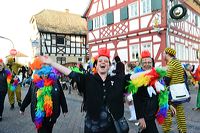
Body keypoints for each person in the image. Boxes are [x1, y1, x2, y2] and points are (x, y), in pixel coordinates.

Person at [39, 48, 130, 133]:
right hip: (91, 128)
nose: (103, 63)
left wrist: (145, 73)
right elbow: (71, 73)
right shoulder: (87, 79)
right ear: (96, 65)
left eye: (106, 61)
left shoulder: (115, 80)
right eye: (100, 61)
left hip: (111, 128)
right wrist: (52, 63)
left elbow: (131, 78)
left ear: (109, 65)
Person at [20, 57, 68, 133]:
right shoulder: (34, 82)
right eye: (42, 69)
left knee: (49, 130)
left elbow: (61, 95)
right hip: (39, 115)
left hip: (52, 114)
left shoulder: (55, 80)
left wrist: (64, 109)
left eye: (46, 66)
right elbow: (29, 96)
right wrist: (22, 107)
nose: (45, 75)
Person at [128, 50, 169, 133]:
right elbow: (136, 98)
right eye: (144, 62)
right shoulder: (138, 77)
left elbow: (162, 92)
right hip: (146, 115)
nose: (147, 64)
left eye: (149, 62)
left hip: (152, 113)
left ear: (152, 63)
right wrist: (140, 117)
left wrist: (169, 104)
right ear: (141, 64)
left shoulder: (155, 76)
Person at [162, 47, 187, 133]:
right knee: (180, 113)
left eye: (164, 53)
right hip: (179, 92)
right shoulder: (178, 62)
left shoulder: (171, 63)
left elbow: (166, 79)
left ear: (168, 54)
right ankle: (182, 130)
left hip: (172, 92)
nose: (163, 55)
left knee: (167, 114)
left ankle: (166, 131)